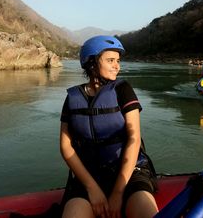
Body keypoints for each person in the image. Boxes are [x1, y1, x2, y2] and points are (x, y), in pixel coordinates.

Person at [60, 35, 158, 218]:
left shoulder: (123, 89)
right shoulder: (72, 98)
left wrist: (117, 192)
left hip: (129, 173)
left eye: (118, 61)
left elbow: (134, 138)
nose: (117, 66)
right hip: (89, 176)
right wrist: (92, 189)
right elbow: (66, 146)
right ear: (91, 63)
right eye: (110, 60)